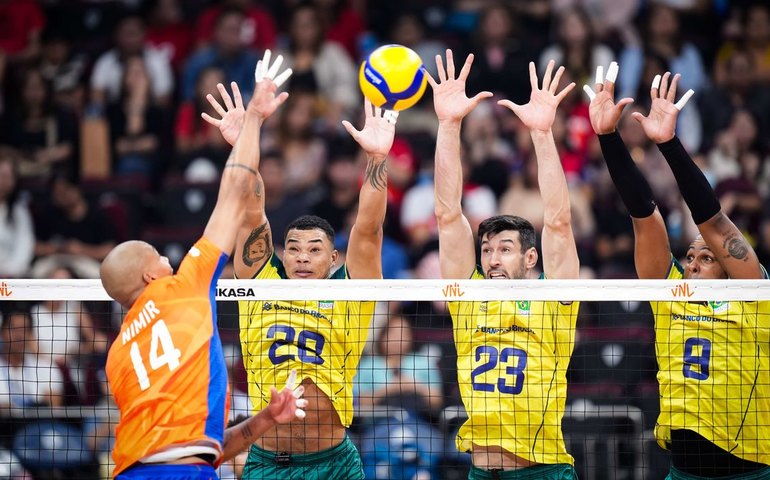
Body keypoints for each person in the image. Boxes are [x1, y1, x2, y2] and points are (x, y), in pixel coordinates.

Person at [99, 51, 308, 479]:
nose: (168, 260)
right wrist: (253, 119)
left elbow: (198, 448)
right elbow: (233, 191)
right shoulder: (181, 287)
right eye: (159, 257)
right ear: (148, 276)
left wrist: (265, 419)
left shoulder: (117, 355)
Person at [202, 52, 399, 480]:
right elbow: (251, 208)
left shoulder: (350, 291)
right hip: (266, 463)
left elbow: (368, 230)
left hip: (334, 464)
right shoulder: (259, 282)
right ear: (282, 255)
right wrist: (245, 139)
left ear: (333, 259)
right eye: (293, 248)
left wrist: (377, 159)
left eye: (315, 250)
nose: (303, 257)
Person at [585, 62, 770, 479]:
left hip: (749, 471)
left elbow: (714, 222)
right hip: (681, 472)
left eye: (706, 258)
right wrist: (608, 138)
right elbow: (643, 216)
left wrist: (669, 145)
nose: (691, 264)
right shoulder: (672, 297)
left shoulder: (753, 294)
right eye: (690, 257)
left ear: (728, 267)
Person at [430, 49, 581, 478]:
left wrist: (541, 134)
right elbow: (446, 214)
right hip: (480, 471)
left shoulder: (555, 298)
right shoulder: (468, 296)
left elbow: (558, 221)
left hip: (541, 470)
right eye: (487, 250)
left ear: (530, 258)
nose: (493, 259)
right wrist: (448, 124)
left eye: (505, 249)